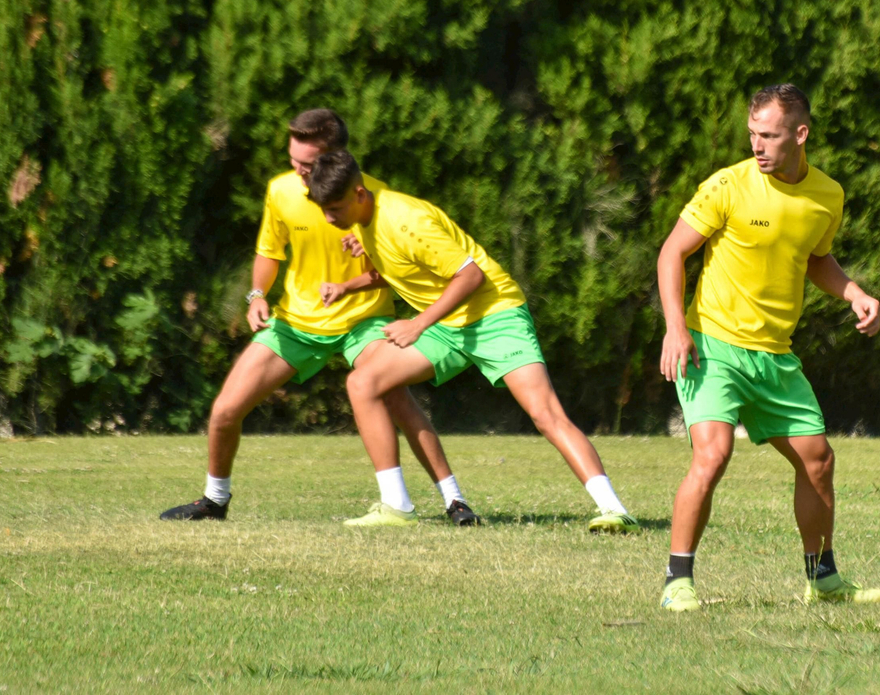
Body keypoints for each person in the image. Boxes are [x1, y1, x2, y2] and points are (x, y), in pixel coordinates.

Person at [159, 109, 477, 526]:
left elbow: (399, 266)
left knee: (393, 395)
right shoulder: (281, 191)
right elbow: (269, 252)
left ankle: (450, 501)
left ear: (338, 160)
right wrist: (257, 295)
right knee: (224, 410)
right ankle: (214, 502)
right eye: (293, 161)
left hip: (363, 321)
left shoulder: (372, 198)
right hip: (297, 323)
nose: (298, 172)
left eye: (306, 166)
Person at [306, 150, 638, 533]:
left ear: (360, 194)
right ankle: (397, 506)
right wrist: (348, 286)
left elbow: (470, 276)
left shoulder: (407, 221)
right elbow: (403, 269)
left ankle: (614, 510)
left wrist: (417, 325)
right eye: (324, 210)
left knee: (545, 415)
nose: (330, 218)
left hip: (495, 316)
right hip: (448, 324)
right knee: (364, 381)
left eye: (335, 208)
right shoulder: (363, 222)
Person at [654, 84, 880, 613]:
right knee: (712, 455)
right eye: (753, 134)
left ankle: (822, 579)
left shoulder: (827, 195)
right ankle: (677, 580)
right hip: (713, 346)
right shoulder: (727, 186)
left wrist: (854, 293)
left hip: (775, 355)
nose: (757, 146)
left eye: (769, 136)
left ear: (800, 135)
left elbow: (815, 258)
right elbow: (673, 251)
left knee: (818, 460)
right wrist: (676, 326)